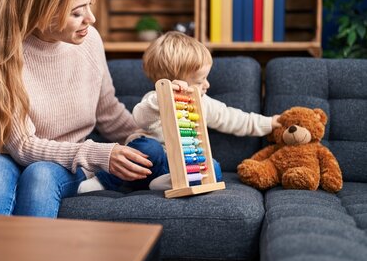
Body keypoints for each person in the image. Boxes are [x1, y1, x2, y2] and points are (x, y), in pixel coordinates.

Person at [0, 0, 154, 217]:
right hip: (2, 153)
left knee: (40, 175)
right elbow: (23, 147)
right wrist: (99, 153)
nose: (92, 18)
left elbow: (108, 113)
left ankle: (36, 259)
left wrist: (154, 141)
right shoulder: (2, 53)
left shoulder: (90, 41)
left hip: (61, 160)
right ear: (43, 12)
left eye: (89, 5)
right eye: (77, 12)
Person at [78, 31, 281, 193]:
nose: (207, 85)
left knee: (213, 167)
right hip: (146, 168)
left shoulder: (202, 102)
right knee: (148, 147)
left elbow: (233, 118)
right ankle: (104, 182)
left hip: (179, 168)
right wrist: (162, 96)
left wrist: (269, 122)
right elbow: (139, 117)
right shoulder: (154, 99)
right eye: (200, 80)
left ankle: (169, 182)